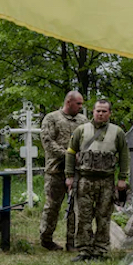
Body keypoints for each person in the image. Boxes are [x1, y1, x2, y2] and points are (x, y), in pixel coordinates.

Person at [65, 99, 129, 261]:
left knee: (103, 217)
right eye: (98, 111)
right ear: (93, 112)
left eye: (104, 111)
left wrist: (122, 179)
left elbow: (124, 156)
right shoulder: (81, 130)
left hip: (106, 181)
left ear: (109, 113)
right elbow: (71, 153)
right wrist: (69, 176)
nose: (100, 114)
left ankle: (100, 250)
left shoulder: (118, 132)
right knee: (83, 217)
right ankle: (85, 250)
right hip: (85, 181)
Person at [38, 90, 88, 251]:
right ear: (69, 102)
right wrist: (69, 154)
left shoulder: (82, 120)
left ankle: (72, 242)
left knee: (75, 207)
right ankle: (46, 238)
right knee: (53, 206)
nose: (81, 107)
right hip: (56, 170)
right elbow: (48, 142)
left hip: (76, 170)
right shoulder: (52, 119)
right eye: (78, 103)